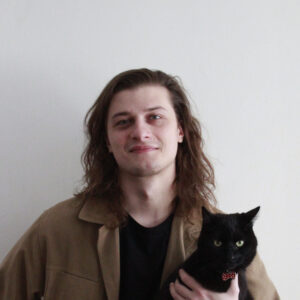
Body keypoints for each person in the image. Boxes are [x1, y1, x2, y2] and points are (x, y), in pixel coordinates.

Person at [0, 69, 280, 300]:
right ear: (107, 141)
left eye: (155, 117)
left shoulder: (229, 237)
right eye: (123, 122)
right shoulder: (56, 229)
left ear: (180, 131)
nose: (140, 132)